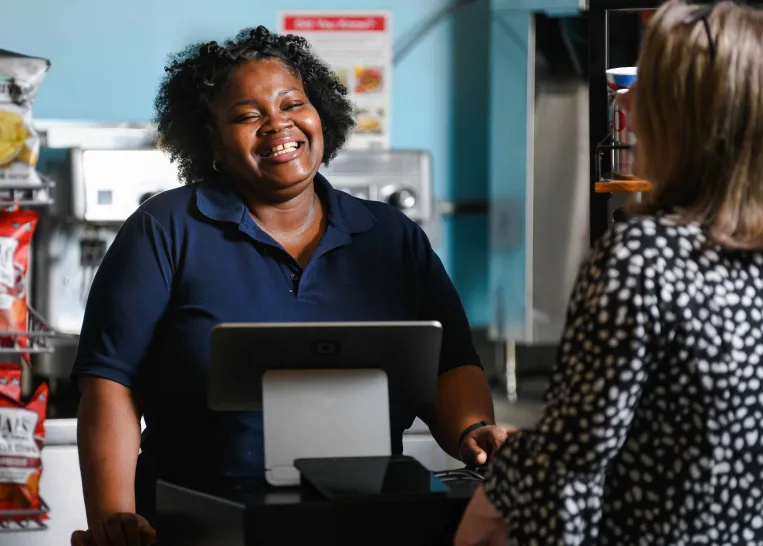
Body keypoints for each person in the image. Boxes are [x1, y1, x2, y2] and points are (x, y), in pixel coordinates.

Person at [68, 26, 514, 546]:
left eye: (292, 104)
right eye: (247, 115)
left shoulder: (390, 237)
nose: (278, 125)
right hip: (197, 524)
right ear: (211, 140)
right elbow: (110, 383)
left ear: (320, 112)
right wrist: (115, 518)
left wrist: (471, 433)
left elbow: (448, 364)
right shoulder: (166, 228)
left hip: (365, 520)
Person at [456, 1, 763, 544]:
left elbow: (571, 461)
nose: (628, 99)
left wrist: (501, 483)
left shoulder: (642, 258)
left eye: (647, 84)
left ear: (677, 117)